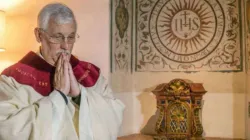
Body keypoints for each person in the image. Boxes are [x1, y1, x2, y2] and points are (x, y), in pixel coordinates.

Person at [0, 3, 125, 140]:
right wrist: (58, 97)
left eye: (71, 37)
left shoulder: (91, 75)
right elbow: (8, 129)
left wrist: (81, 96)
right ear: (39, 35)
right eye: (57, 37)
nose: (65, 46)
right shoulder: (12, 80)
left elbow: (114, 115)